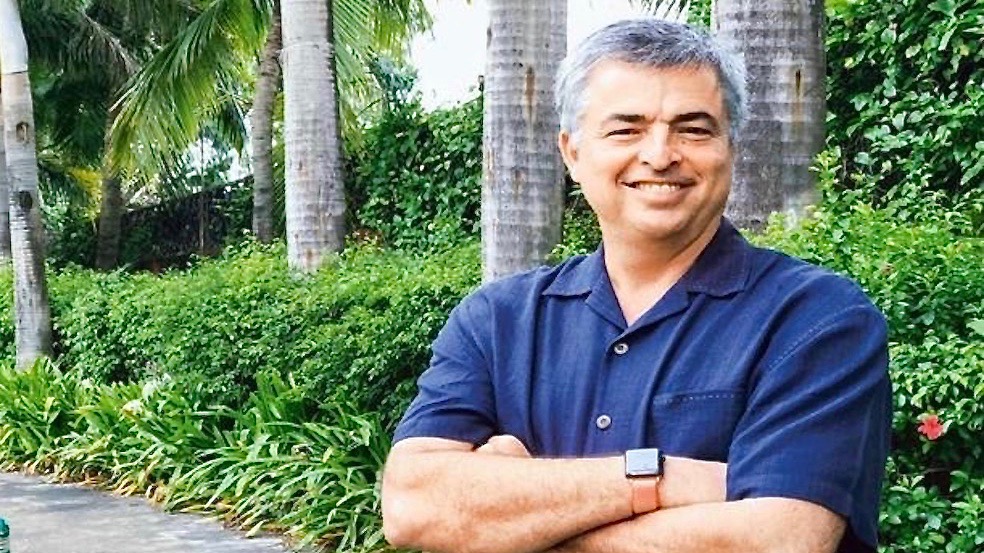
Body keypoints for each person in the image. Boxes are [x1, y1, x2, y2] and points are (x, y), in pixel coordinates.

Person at [381, 18, 891, 553]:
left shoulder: (817, 320)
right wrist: (662, 478)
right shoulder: (497, 320)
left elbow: (781, 540)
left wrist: (517, 520)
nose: (661, 155)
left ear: (731, 149)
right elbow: (412, 505)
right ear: (572, 153)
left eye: (694, 129)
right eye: (626, 129)